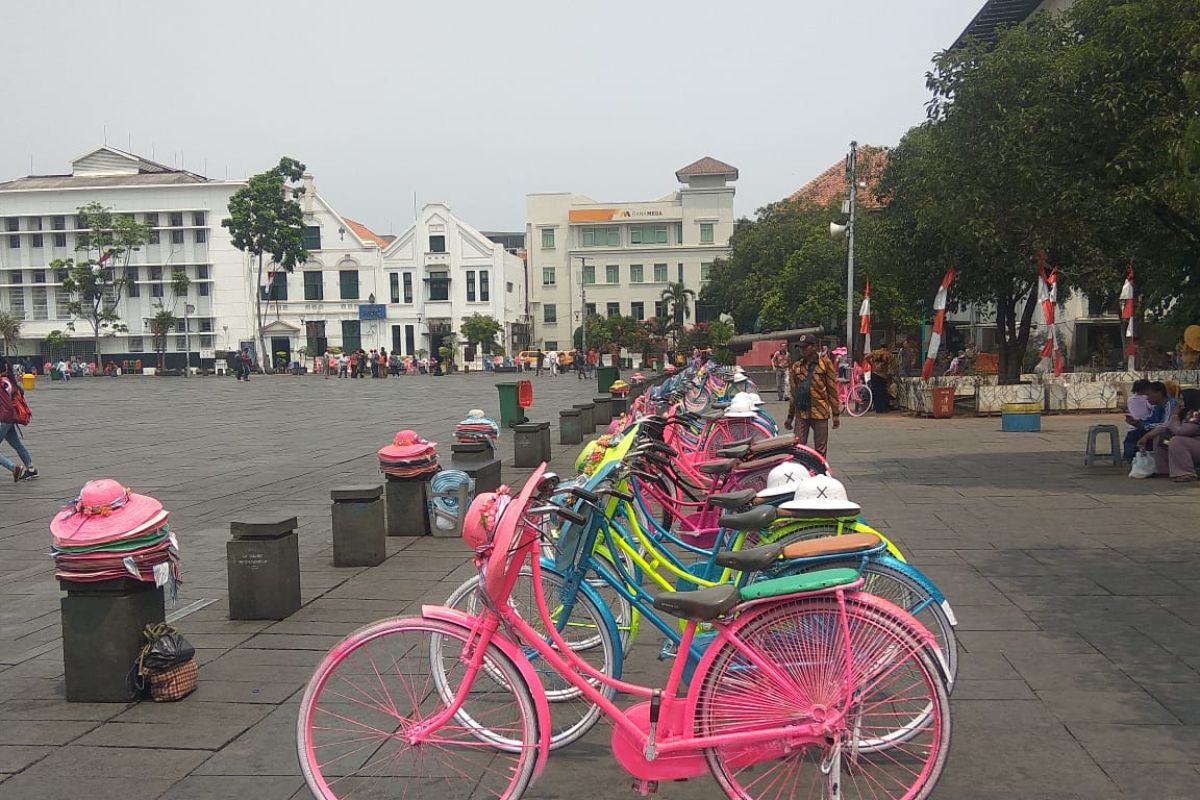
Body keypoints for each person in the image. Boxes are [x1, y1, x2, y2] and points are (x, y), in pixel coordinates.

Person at [784, 333, 840, 457]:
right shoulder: (796, 367)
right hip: (801, 413)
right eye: (800, 347)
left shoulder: (825, 364)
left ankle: (820, 473)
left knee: (820, 450)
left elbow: (832, 390)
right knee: (798, 447)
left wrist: (836, 414)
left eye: (805, 347)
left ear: (814, 347)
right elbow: (794, 395)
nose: (802, 350)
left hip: (820, 411)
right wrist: (790, 417)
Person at [0, 357, 36, 481]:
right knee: (17, 444)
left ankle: (14, 468)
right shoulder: (8, 380)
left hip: (3, 419)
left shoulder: (1, 382)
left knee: (17, 445)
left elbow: (5, 404)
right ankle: (31, 469)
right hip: (10, 418)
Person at [1153, 389, 1200, 482]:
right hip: (1190, 443)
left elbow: (1181, 431)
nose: (1180, 403)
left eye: (1182, 400)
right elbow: (1166, 426)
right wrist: (1146, 436)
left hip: (1196, 444)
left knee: (1176, 441)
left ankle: (1186, 473)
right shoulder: (1183, 412)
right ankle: (1165, 470)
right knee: (1162, 440)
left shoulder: (1196, 415)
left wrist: (1174, 418)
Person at [1131, 381, 1179, 455]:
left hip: (1173, 437)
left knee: (1160, 440)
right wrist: (1138, 423)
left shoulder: (1171, 404)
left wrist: (1145, 428)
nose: (1146, 398)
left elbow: (1166, 425)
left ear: (1158, 393)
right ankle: (1133, 456)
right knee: (1134, 433)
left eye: (1148, 394)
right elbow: (1151, 420)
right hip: (1162, 432)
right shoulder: (1156, 406)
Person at [1122, 379, 1153, 461]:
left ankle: (1128, 457)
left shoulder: (1130, 399)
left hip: (1132, 427)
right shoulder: (1147, 399)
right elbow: (1151, 408)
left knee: (1130, 442)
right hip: (1145, 426)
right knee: (1147, 444)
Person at [867, 343, 896, 414]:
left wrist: (871, 364)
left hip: (874, 373)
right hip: (882, 374)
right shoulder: (888, 354)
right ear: (887, 347)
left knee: (876, 391)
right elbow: (893, 365)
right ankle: (883, 408)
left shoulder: (875, 352)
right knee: (882, 391)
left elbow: (866, 357)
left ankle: (878, 408)